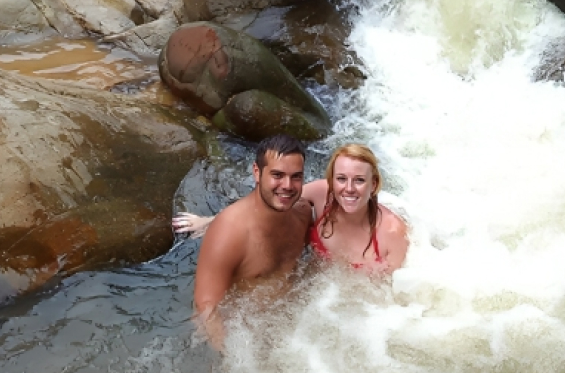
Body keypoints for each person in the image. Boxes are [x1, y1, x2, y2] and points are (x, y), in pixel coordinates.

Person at [175, 143, 409, 273]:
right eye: (341, 179)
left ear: (374, 184)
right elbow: (266, 203)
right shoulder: (321, 194)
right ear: (331, 180)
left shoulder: (391, 233)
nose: (348, 189)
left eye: (359, 180)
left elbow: (391, 302)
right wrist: (209, 222)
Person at [192, 134, 312, 350]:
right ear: (257, 172)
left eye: (296, 177)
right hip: (247, 336)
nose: (287, 185)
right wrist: (234, 359)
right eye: (277, 175)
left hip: (294, 329)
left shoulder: (303, 213)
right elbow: (206, 309)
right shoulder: (230, 233)